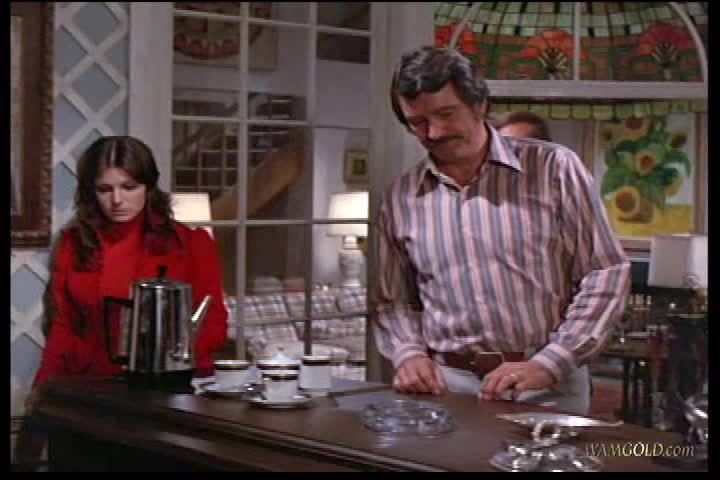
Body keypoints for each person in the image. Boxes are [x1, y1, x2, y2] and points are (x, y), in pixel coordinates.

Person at [375, 46, 630, 415]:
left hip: (547, 383)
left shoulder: (555, 169)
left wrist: (552, 361)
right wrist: (408, 353)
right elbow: (391, 300)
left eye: (446, 114)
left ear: (479, 104)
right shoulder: (400, 197)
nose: (434, 132)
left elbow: (606, 271)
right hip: (448, 386)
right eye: (418, 122)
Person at [28, 136, 228, 403]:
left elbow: (213, 323)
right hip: (89, 388)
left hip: (168, 389)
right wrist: (41, 388)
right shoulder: (73, 244)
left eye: (128, 187)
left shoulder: (191, 244)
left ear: (148, 186)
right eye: (104, 189)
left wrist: (168, 364)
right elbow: (62, 328)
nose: (117, 200)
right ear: (91, 192)